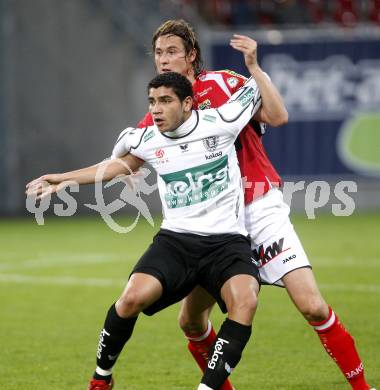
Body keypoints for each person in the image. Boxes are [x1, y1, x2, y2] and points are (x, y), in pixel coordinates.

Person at [136, 19, 373, 390]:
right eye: (158, 53)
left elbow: (278, 117)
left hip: (258, 207)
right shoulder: (161, 109)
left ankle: (362, 388)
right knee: (191, 321)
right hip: (213, 223)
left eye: (172, 52)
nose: (163, 60)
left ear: (191, 55)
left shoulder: (224, 85)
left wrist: (255, 69)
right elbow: (131, 156)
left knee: (311, 304)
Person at [26, 71, 264, 390]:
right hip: (176, 243)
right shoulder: (146, 139)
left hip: (227, 243)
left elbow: (256, 87)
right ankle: (101, 377)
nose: (156, 109)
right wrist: (61, 179)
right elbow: (113, 166)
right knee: (129, 300)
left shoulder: (222, 121)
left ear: (188, 103)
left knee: (245, 302)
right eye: (152, 101)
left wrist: (252, 62)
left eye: (165, 100)